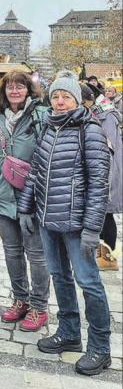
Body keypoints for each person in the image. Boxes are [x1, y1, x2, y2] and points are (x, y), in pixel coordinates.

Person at [19, 71, 112, 376]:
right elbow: (35, 171)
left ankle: (100, 347)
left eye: (66, 97)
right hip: (48, 219)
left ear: (77, 100)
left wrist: (93, 228)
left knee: (89, 283)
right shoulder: (49, 127)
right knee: (60, 276)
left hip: (77, 224)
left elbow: (99, 184)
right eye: (56, 96)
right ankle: (69, 332)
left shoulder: (90, 130)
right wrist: (26, 209)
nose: (60, 102)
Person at [0, 71, 50, 331]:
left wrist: (38, 186)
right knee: (12, 252)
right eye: (10, 87)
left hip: (31, 196)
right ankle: (20, 299)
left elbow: (48, 155)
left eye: (20, 86)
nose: (15, 91)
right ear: (4, 91)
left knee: (36, 254)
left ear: (29, 90)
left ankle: (39, 305)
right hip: (2, 195)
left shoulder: (40, 115)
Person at [81, 85, 122, 271]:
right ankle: (100, 254)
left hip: (108, 170)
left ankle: (109, 257)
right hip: (97, 169)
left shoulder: (106, 115)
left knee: (106, 213)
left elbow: (107, 146)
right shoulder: (95, 113)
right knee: (100, 213)